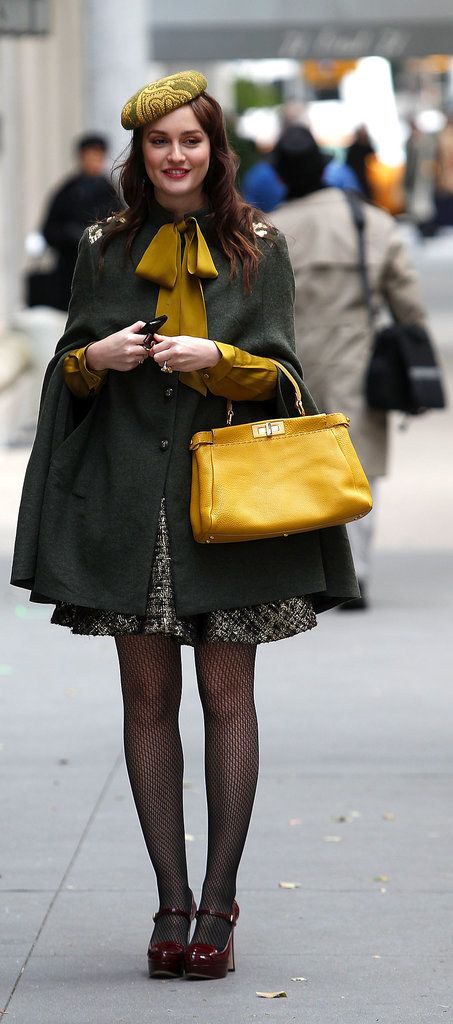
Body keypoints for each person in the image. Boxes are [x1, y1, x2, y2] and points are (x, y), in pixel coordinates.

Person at [11, 71, 358, 981]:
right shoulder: (103, 245)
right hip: (131, 506)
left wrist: (223, 359)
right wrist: (94, 356)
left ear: (215, 150)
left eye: (190, 141)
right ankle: (170, 901)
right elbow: (65, 372)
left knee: (227, 700)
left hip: (230, 515)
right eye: (159, 143)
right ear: (141, 154)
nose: (175, 156)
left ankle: (218, 899)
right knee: (147, 703)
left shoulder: (259, 246)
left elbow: (285, 377)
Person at [271, 125, 429, 609]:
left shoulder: (271, 227)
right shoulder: (370, 222)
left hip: (291, 363)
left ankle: (312, 568)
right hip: (356, 359)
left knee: (300, 465)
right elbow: (406, 300)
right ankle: (355, 570)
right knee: (357, 467)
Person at [40, 133, 120, 310]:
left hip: (103, 270)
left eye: (98, 155)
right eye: (90, 155)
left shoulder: (110, 191)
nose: (94, 161)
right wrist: (71, 236)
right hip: (70, 269)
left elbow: (121, 224)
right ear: (81, 156)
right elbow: (49, 230)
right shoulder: (67, 191)